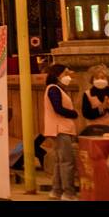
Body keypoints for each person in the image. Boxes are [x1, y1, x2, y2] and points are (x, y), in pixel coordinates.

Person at [43, 64, 80, 200]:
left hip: (59, 129)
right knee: (67, 162)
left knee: (60, 162)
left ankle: (56, 190)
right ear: (58, 75)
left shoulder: (56, 89)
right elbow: (58, 108)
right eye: (65, 73)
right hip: (60, 129)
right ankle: (68, 192)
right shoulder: (54, 89)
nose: (68, 76)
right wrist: (73, 113)